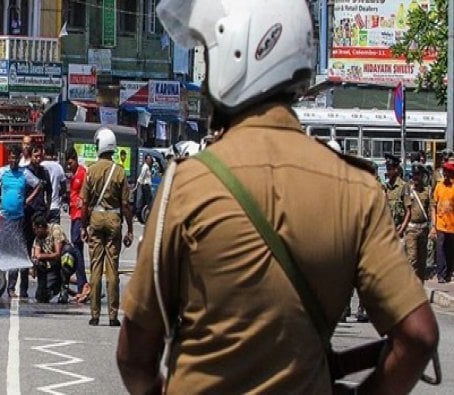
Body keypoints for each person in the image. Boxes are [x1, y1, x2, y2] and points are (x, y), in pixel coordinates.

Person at [116, 1, 438, 394]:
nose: (205, 82)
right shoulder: (358, 188)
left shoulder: (188, 184)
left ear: (240, 56)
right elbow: (418, 337)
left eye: (211, 58)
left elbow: (134, 355)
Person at [81, 127, 134, 326]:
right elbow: (126, 205)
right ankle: (113, 316)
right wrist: (130, 229)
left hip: (95, 218)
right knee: (113, 268)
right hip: (114, 219)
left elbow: (84, 203)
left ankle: (94, 315)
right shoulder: (119, 171)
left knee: (96, 267)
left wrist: (84, 227)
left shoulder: (91, 170)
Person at [0, 145, 41, 298]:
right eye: (11, 157)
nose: (13, 160)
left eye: (15, 157)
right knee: (3, 252)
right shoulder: (3, 171)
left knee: (15, 253)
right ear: (8, 158)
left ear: (19, 158)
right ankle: (0, 284)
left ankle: (11, 288)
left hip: (19, 219)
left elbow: (38, 185)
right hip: (4, 218)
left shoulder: (25, 173)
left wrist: (27, 200)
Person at [31, 213, 85, 303]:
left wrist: (42, 256)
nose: (34, 231)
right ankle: (54, 286)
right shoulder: (38, 238)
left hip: (63, 262)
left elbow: (57, 253)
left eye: (35, 229)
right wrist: (35, 264)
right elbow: (36, 254)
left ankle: (65, 288)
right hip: (53, 267)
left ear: (40, 227)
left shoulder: (55, 230)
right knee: (41, 297)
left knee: (67, 253)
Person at [66, 147, 91, 302]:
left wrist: (84, 222)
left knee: (77, 250)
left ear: (75, 159)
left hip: (79, 215)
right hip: (73, 214)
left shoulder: (82, 173)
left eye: (70, 163)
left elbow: (85, 196)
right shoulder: (74, 174)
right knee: (77, 250)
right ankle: (82, 285)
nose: (69, 166)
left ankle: (84, 286)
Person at [406, 164, 431, 282]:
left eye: (418, 175)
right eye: (414, 174)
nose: (415, 177)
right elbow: (407, 210)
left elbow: (430, 210)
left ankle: (420, 286)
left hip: (424, 229)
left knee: (422, 261)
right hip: (412, 229)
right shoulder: (408, 190)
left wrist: (433, 228)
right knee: (412, 259)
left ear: (422, 176)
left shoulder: (427, 191)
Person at [431, 159, 454, 284]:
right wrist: (434, 225)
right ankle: (440, 274)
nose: (445, 174)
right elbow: (433, 205)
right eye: (444, 171)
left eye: (448, 172)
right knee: (440, 249)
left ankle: (448, 273)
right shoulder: (439, 186)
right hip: (440, 224)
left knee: (449, 250)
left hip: (452, 225)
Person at [41, 145, 67, 224]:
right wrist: (58, 194)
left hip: (43, 207)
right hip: (55, 206)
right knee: (55, 234)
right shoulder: (59, 167)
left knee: (42, 235)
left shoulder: (41, 166)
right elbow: (64, 187)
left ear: (44, 152)